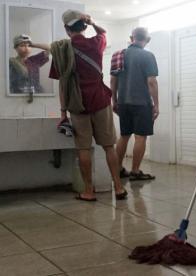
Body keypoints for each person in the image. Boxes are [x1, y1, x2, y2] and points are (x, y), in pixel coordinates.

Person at [49, 10, 127, 201]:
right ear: (84, 26)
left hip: (78, 104)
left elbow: (62, 85)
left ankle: (89, 191)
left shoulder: (61, 50)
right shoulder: (96, 43)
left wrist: (63, 112)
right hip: (101, 100)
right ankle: (118, 188)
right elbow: (103, 32)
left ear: (67, 29)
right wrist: (92, 22)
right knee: (109, 147)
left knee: (83, 149)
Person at [111, 27, 159, 181]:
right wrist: (156, 104)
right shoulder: (148, 56)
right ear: (148, 39)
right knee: (140, 137)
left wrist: (114, 100)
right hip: (141, 103)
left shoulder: (118, 55)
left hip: (123, 102)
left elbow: (113, 80)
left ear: (131, 38)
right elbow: (151, 82)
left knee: (124, 136)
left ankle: (117, 169)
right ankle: (135, 171)